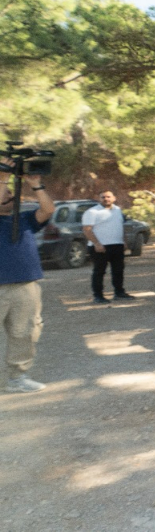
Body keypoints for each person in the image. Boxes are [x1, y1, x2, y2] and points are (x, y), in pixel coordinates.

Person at [0, 166, 53, 393]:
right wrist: (3, 178)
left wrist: (36, 185)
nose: (11, 195)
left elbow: (48, 209)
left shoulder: (23, 219)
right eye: (6, 192)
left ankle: (17, 378)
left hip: (25, 285)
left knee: (25, 333)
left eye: (11, 192)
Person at [83, 190, 131, 303]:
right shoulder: (92, 212)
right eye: (103, 197)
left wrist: (124, 241)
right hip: (100, 247)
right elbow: (87, 229)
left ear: (114, 198)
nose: (106, 199)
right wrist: (97, 243)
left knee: (118, 270)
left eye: (108, 197)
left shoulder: (118, 210)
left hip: (117, 245)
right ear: (99, 199)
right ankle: (98, 296)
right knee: (99, 272)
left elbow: (121, 226)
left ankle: (119, 292)